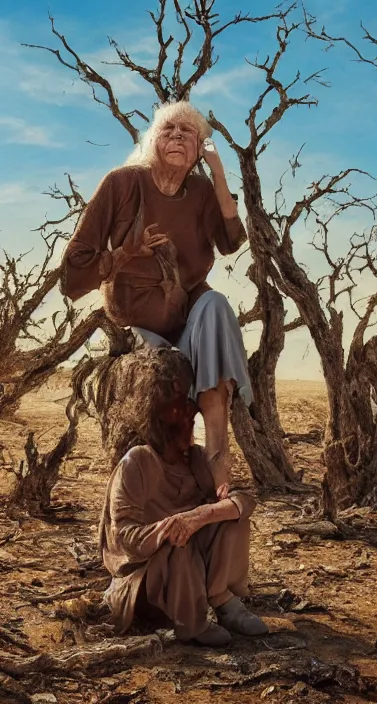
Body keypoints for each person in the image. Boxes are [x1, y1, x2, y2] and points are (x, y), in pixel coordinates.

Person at [61, 100, 251, 499]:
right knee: (164, 386)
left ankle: (218, 460)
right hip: (138, 321)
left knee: (216, 306)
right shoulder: (122, 183)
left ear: (199, 148)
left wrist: (217, 173)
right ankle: (156, 489)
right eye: (169, 130)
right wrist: (127, 253)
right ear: (153, 140)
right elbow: (74, 269)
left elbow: (232, 241)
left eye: (189, 133)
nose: (178, 136)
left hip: (189, 313)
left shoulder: (200, 189)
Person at [98, 346, 267, 647]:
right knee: (179, 542)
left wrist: (200, 516)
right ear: (155, 412)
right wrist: (170, 528)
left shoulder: (196, 459)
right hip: (143, 583)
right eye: (180, 406)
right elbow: (124, 538)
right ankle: (192, 624)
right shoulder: (137, 461)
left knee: (233, 519)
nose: (191, 413)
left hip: (187, 577)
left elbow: (245, 500)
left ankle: (221, 599)